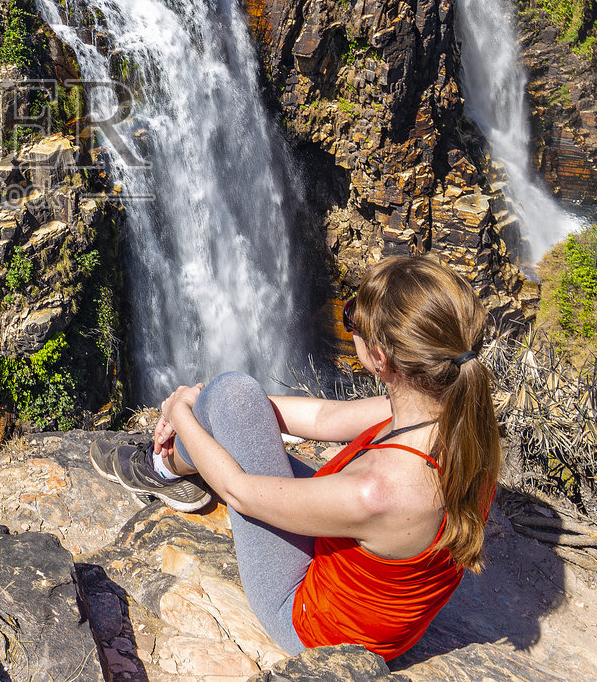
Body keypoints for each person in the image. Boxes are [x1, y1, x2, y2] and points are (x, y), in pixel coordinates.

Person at [90, 255, 501, 661]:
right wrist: (215, 413)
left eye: (352, 317)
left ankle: (158, 468)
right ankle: (185, 452)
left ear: (381, 358)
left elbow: (241, 492)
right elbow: (326, 416)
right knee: (233, 397)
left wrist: (180, 411)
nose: (349, 320)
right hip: (375, 610)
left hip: (310, 624)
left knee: (232, 392)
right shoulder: (461, 421)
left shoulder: (378, 491)